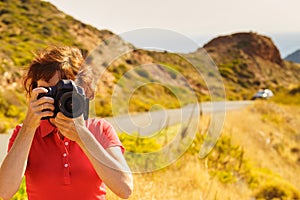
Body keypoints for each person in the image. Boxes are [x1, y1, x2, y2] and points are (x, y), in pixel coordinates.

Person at [0, 45, 133, 200]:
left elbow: (125, 190)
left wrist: (82, 136)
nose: (57, 98)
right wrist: (29, 128)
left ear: (84, 90)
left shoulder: (99, 129)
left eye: (64, 90)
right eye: (48, 90)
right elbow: (4, 192)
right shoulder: (25, 133)